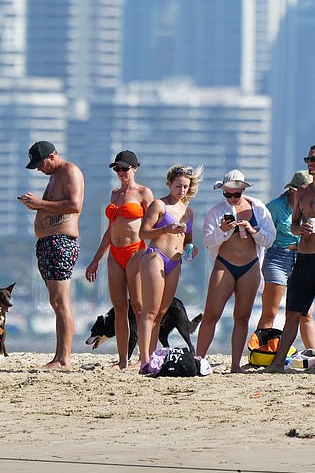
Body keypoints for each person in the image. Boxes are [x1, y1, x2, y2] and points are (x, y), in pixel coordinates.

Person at [267, 144, 315, 373]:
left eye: (314, 159)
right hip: (302, 258)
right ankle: (277, 363)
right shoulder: (302, 192)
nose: (310, 163)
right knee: (292, 313)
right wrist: (298, 229)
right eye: (308, 159)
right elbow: (293, 224)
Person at [195, 170, 276, 373]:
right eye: (227, 194)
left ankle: (235, 365)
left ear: (242, 190)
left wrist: (252, 230)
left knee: (242, 316)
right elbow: (207, 241)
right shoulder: (217, 211)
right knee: (211, 314)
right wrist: (223, 230)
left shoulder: (257, 207)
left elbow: (270, 237)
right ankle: (199, 360)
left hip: (250, 266)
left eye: (235, 194)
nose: (231, 198)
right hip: (225, 263)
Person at [84, 150, 154, 369]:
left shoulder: (144, 193)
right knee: (119, 307)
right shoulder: (114, 194)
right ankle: (123, 360)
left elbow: (154, 225)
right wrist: (96, 259)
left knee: (139, 308)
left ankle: (145, 358)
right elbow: (109, 229)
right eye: (117, 169)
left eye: (125, 168)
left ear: (134, 169)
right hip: (115, 252)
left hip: (136, 251)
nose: (121, 172)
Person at [19, 141, 85, 370]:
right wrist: (37, 206)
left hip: (61, 243)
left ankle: (64, 358)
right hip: (48, 243)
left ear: (52, 156)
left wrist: (40, 203)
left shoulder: (69, 171)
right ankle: (59, 355)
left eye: (41, 164)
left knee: (61, 301)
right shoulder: (54, 177)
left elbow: (75, 205)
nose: (39, 169)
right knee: (55, 301)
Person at [133, 164, 198, 374]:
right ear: (169, 184)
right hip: (155, 256)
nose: (181, 191)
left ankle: (152, 357)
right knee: (149, 311)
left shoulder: (188, 212)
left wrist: (191, 248)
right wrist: (165, 229)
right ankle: (144, 361)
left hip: (175, 261)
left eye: (185, 187)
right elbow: (143, 233)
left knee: (161, 313)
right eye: (178, 186)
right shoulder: (159, 205)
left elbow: (188, 240)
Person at [257, 170, 315, 354]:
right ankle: (261, 352)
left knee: (305, 312)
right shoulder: (276, 207)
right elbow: (264, 234)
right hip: (278, 256)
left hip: (303, 258)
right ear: (293, 190)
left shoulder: (313, 207)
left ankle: (313, 353)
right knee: (271, 310)